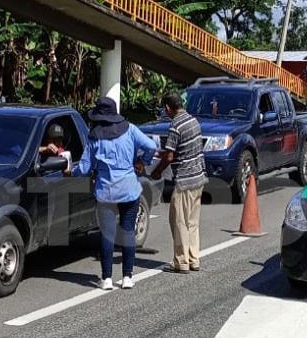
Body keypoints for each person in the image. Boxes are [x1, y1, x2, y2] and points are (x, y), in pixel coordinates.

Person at [71, 97, 157, 291]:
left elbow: (84, 168)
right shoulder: (130, 129)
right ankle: (127, 276)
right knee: (127, 231)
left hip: (105, 190)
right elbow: (151, 146)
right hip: (129, 188)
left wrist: (70, 171)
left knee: (107, 235)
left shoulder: (94, 136)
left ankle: (107, 278)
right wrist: (143, 161)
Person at [150, 93, 207, 274]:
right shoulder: (193, 121)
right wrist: (157, 153)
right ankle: (193, 259)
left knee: (178, 221)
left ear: (168, 108)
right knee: (192, 222)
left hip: (184, 181)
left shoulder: (175, 126)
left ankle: (181, 262)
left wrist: (157, 171)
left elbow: (170, 156)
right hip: (198, 178)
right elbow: (177, 150)